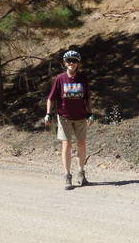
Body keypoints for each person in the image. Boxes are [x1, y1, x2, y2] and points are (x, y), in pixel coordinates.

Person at [44, 50, 94, 190]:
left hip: (81, 117)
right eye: (69, 61)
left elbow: (87, 97)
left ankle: (81, 173)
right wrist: (48, 113)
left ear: (78, 63)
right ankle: (67, 175)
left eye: (75, 61)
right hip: (64, 117)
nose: (72, 63)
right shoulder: (60, 79)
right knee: (67, 145)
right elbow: (51, 98)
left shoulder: (83, 78)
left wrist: (90, 113)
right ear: (65, 63)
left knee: (82, 144)